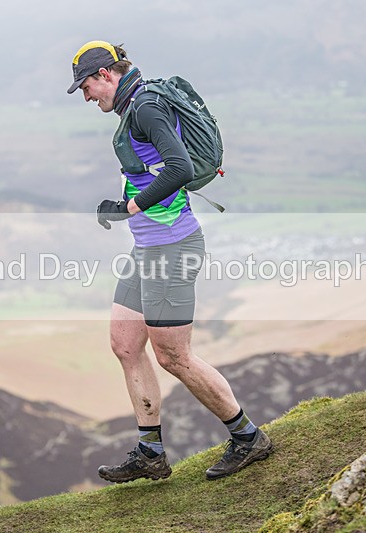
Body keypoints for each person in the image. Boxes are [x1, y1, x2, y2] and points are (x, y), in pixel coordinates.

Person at [67, 40, 272, 482]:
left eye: (86, 87)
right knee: (124, 343)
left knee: (174, 356)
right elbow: (151, 169)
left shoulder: (145, 108)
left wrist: (130, 209)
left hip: (172, 249)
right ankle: (150, 453)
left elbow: (177, 168)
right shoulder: (135, 106)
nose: (86, 97)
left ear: (105, 75)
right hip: (147, 250)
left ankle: (248, 437)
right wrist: (123, 204)